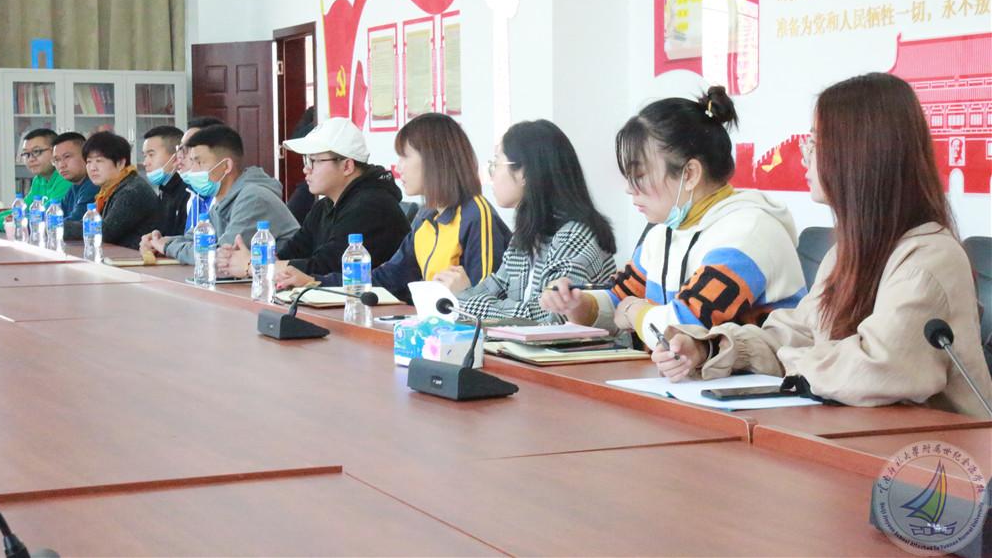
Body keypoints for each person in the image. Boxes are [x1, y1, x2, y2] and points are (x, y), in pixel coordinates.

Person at [652, 74, 992, 417]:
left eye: (815, 143)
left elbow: (874, 368)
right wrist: (709, 349)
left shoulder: (930, 259)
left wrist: (792, 361)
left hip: (940, 447)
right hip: (861, 436)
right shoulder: (846, 253)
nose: (805, 157)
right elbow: (795, 333)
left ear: (859, 155)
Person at [541, 87, 806, 350]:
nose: (629, 188)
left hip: (756, 376)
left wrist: (633, 311)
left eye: (639, 175)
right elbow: (619, 299)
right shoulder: (665, 231)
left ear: (689, 174)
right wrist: (578, 304)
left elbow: (685, 327)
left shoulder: (749, 232)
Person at [281, 113, 511, 303]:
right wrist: (315, 282)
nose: (398, 168)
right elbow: (388, 278)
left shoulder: (475, 215)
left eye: (404, 157)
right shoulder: (426, 217)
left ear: (433, 159)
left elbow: (488, 301)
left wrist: (463, 294)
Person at [433, 120, 616, 324]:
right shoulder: (528, 234)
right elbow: (496, 287)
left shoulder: (575, 234)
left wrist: (462, 297)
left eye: (496, 164)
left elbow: (549, 317)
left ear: (524, 173)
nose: (492, 176)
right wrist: (459, 294)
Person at [217, 118, 409, 279]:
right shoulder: (325, 206)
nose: (305, 169)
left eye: (314, 161)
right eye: (305, 160)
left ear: (347, 166)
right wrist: (237, 259)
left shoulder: (372, 206)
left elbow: (323, 270)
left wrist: (253, 266)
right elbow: (290, 254)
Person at [141, 125, 299, 266]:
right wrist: (159, 241)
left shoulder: (253, 198)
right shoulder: (222, 198)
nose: (193, 170)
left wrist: (167, 246)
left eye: (199, 162)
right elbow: (194, 239)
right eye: (193, 162)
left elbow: (219, 256)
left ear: (226, 166)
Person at [62, 132, 162, 248]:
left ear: (120, 163)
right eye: (89, 162)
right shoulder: (109, 189)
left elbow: (105, 232)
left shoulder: (132, 191)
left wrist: (57, 225)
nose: (92, 168)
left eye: (99, 161)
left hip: (136, 257)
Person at [0, 128, 73, 231]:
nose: (30, 159)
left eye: (36, 151)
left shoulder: (65, 178)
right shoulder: (39, 179)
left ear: (55, 151)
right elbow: (23, 209)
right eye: (26, 154)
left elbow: (43, 217)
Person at [142, 125, 189, 236]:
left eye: (151, 155)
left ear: (176, 157)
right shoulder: (164, 189)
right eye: (145, 156)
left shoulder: (188, 191)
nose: (145, 163)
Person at [179, 116, 224, 232]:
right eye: (180, 148)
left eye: (188, 148)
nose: (180, 155)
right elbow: (191, 239)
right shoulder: (194, 196)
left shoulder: (227, 199)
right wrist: (163, 240)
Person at [53, 132, 100, 221]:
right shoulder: (74, 187)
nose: (61, 165)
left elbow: (74, 222)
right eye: (57, 160)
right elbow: (55, 215)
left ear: (86, 156)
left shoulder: (93, 185)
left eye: (67, 157)